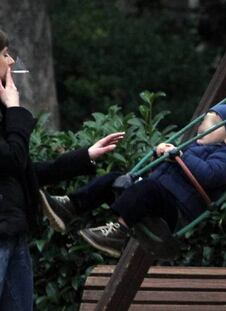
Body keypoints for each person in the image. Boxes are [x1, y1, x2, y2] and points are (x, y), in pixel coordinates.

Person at [0, 29, 124, 310]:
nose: (11, 62)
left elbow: (22, 171)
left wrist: (85, 156)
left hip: (13, 233)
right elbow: (12, 158)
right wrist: (14, 110)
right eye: (5, 54)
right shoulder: (8, 111)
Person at [40, 104, 226, 258]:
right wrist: (160, 156)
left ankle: (118, 232)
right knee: (116, 179)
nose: (204, 125)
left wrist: (179, 155)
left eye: (214, 123)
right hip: (158, 198)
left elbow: (209, 175)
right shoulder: (193, 147)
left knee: (149, 187)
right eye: (206, 119)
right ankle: (70, 206)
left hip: (175, 212)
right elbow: (167, 173)